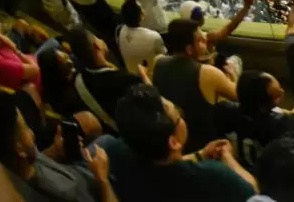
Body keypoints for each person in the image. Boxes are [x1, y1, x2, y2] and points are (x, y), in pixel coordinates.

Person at [100, 84, 256, 202]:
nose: (181, 115)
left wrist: (199, 155)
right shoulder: (215, 176)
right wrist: (228, 157)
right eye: (178, 115)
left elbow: (161, 169)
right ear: (173, 142)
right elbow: (254, 194)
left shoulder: (117, 155)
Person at [0, 92, 117, 202]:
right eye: (25, 127)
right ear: (20, 148)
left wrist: (55, 150)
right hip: (94, 185)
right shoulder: (55, 193)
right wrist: (103, 181)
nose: (30, 130)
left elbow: (35, 161)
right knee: (110, 142)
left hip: (76, 171)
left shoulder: (15, 164)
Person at [150, 19, 237, 153]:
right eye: (200, 41)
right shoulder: (208, 73)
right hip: (204, 148)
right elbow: (241, 95)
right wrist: (232, 74)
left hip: (172, 141)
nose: (205, 42)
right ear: (189, 49)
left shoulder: (158, 62)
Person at [215, 69, 294, 172]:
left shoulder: (223, 111)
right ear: (263, 108)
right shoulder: (283, 125)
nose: (283, 91)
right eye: (278, 95)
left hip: (235, 171)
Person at [66, 28, 141, 132]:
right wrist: (144, 76)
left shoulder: (79, 81)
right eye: (97, 38)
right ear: (96, 46)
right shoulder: (126, 80)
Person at [116, 0, 165, 76]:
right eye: (141, 8)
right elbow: (164, 55)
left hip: (130, 72)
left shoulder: (119, 31)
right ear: (141, 16)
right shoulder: (154, 36)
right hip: (150, 76)